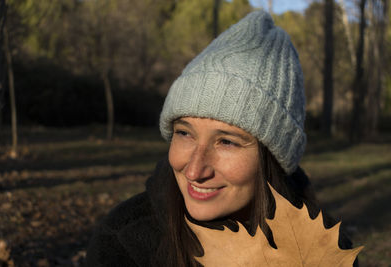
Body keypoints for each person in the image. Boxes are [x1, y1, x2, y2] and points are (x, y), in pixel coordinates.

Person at [86, 10, 355, 267]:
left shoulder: (326, 252)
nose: (194, 170)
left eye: (226, 141)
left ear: (272, 156)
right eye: (184, 133)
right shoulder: (122, 241)